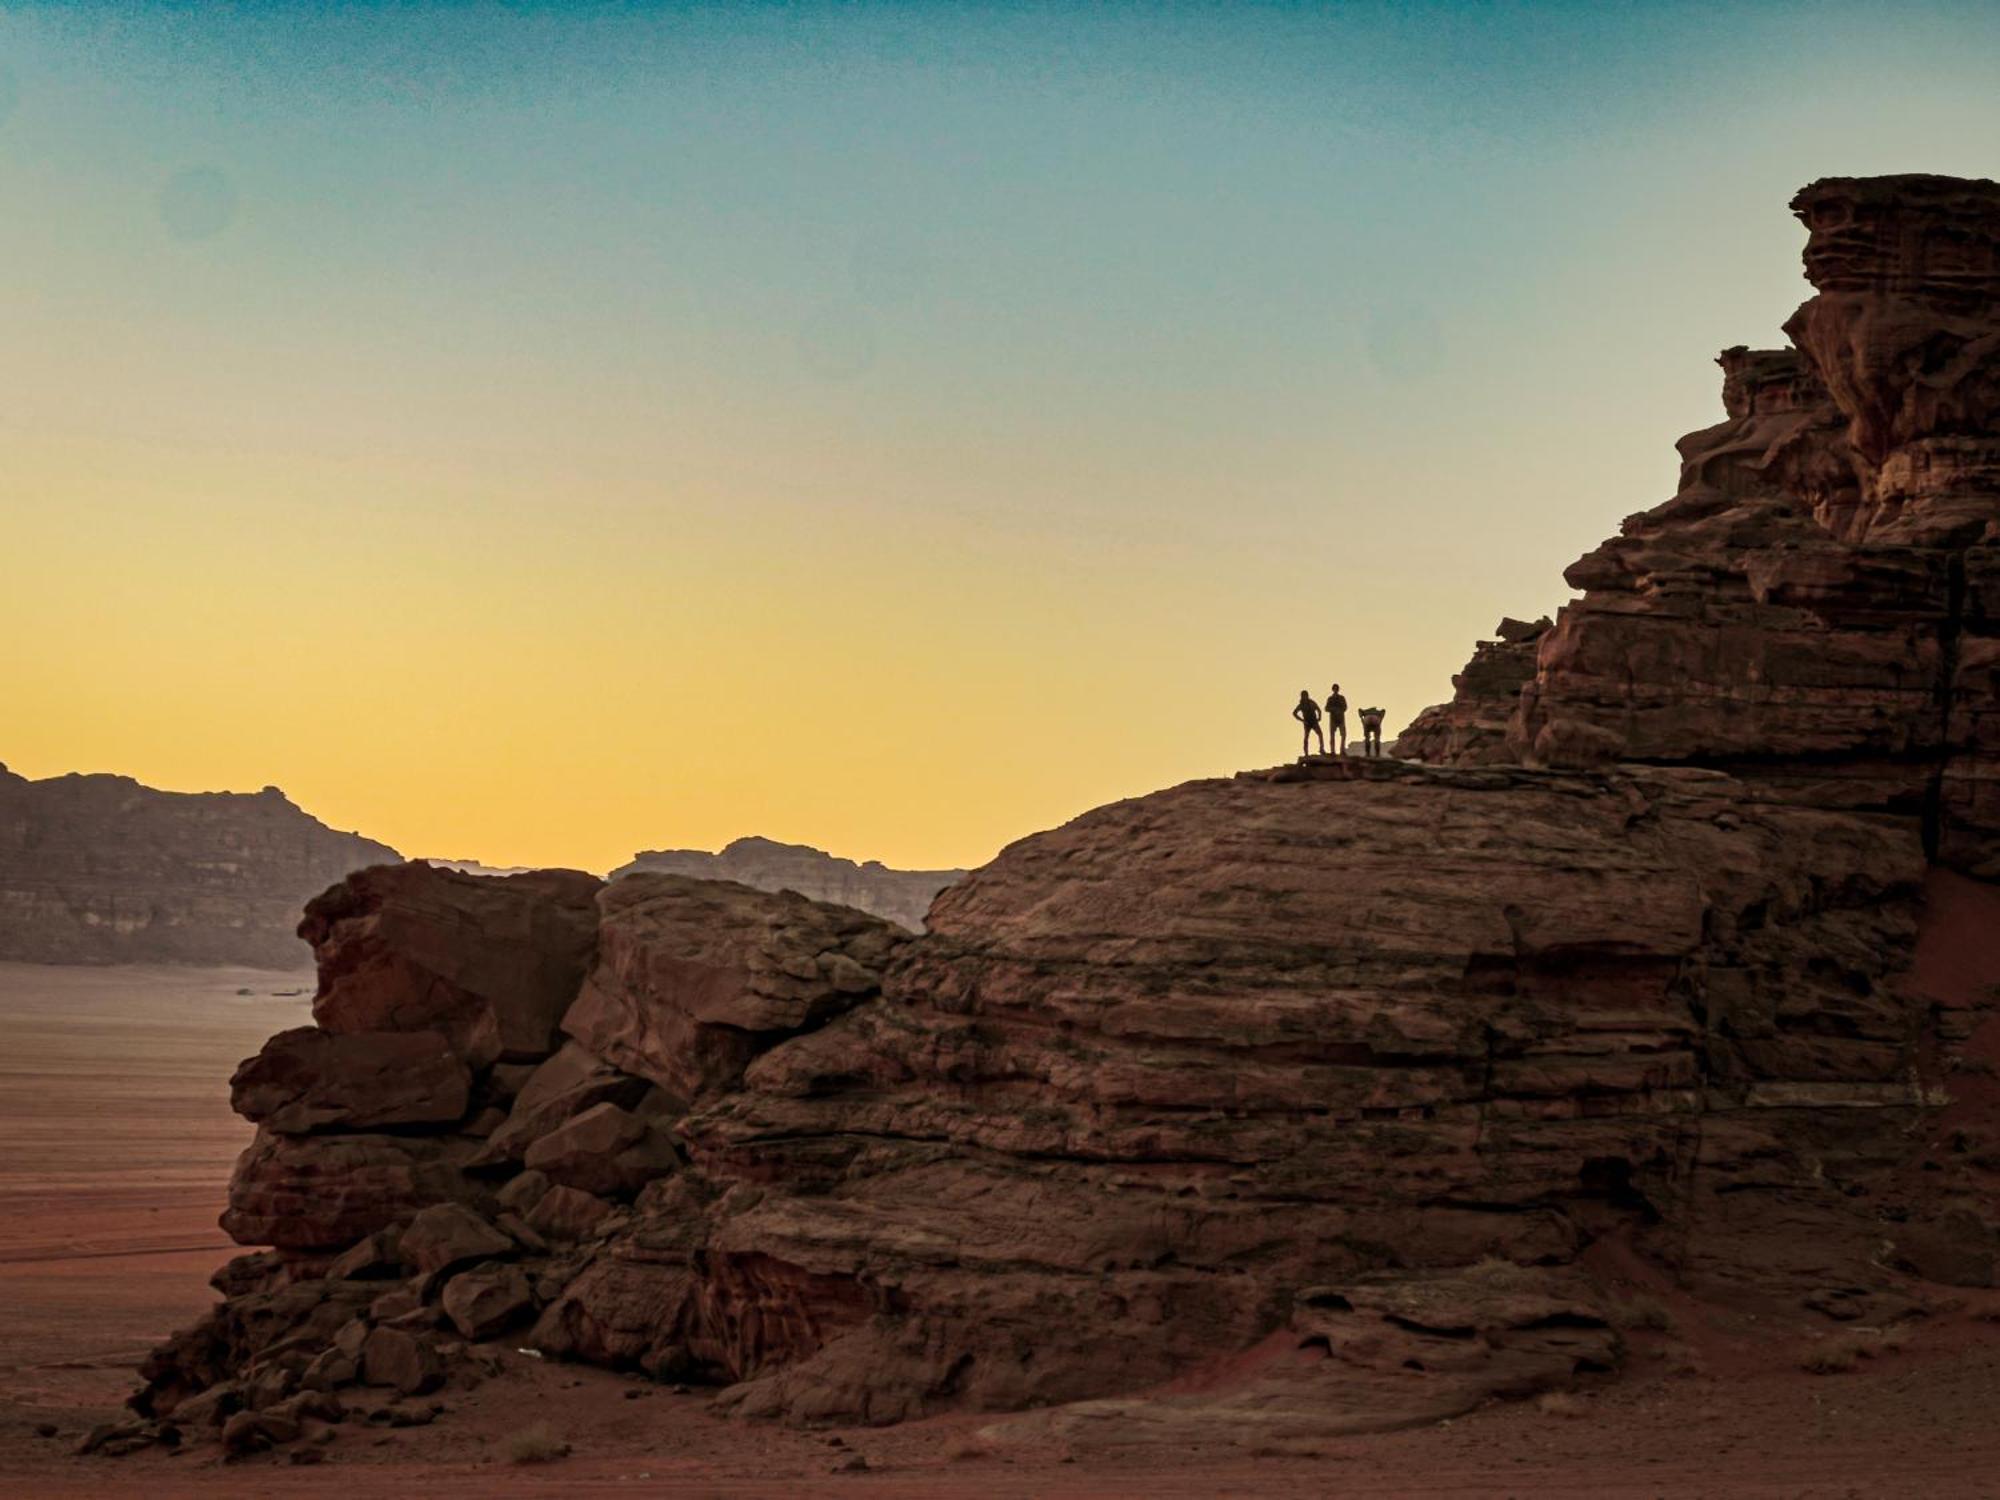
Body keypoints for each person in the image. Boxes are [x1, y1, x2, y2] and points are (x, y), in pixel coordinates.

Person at [1292, 689, 1324, 756]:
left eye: (1305, 696)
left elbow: (1318, 709)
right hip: (1307, 722)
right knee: (1306, 737)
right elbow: (1294, 713)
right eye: (1303, 696)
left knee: (1320, 734)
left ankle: (1321, 749)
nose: (1304, 697)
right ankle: (1306, 752)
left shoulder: (1311, 703)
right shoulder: (1301, 705)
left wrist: (1319, 717)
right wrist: (1302, 720)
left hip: (1314, 721)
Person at [1324, 683, 1348, 753]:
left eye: (1336, 689)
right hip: (1333, 719)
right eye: (1335, 689)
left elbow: (1345, 707)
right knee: (1332, 736)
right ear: (1333, 689)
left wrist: (1339, 710)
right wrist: (1334, 709)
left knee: (1343, 735)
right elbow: (1326, 708)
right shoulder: (1330, 698)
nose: (1336, 690)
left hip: (1340, 719)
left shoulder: (1342, 698)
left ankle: (1342, 750)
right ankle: (1332, 751)